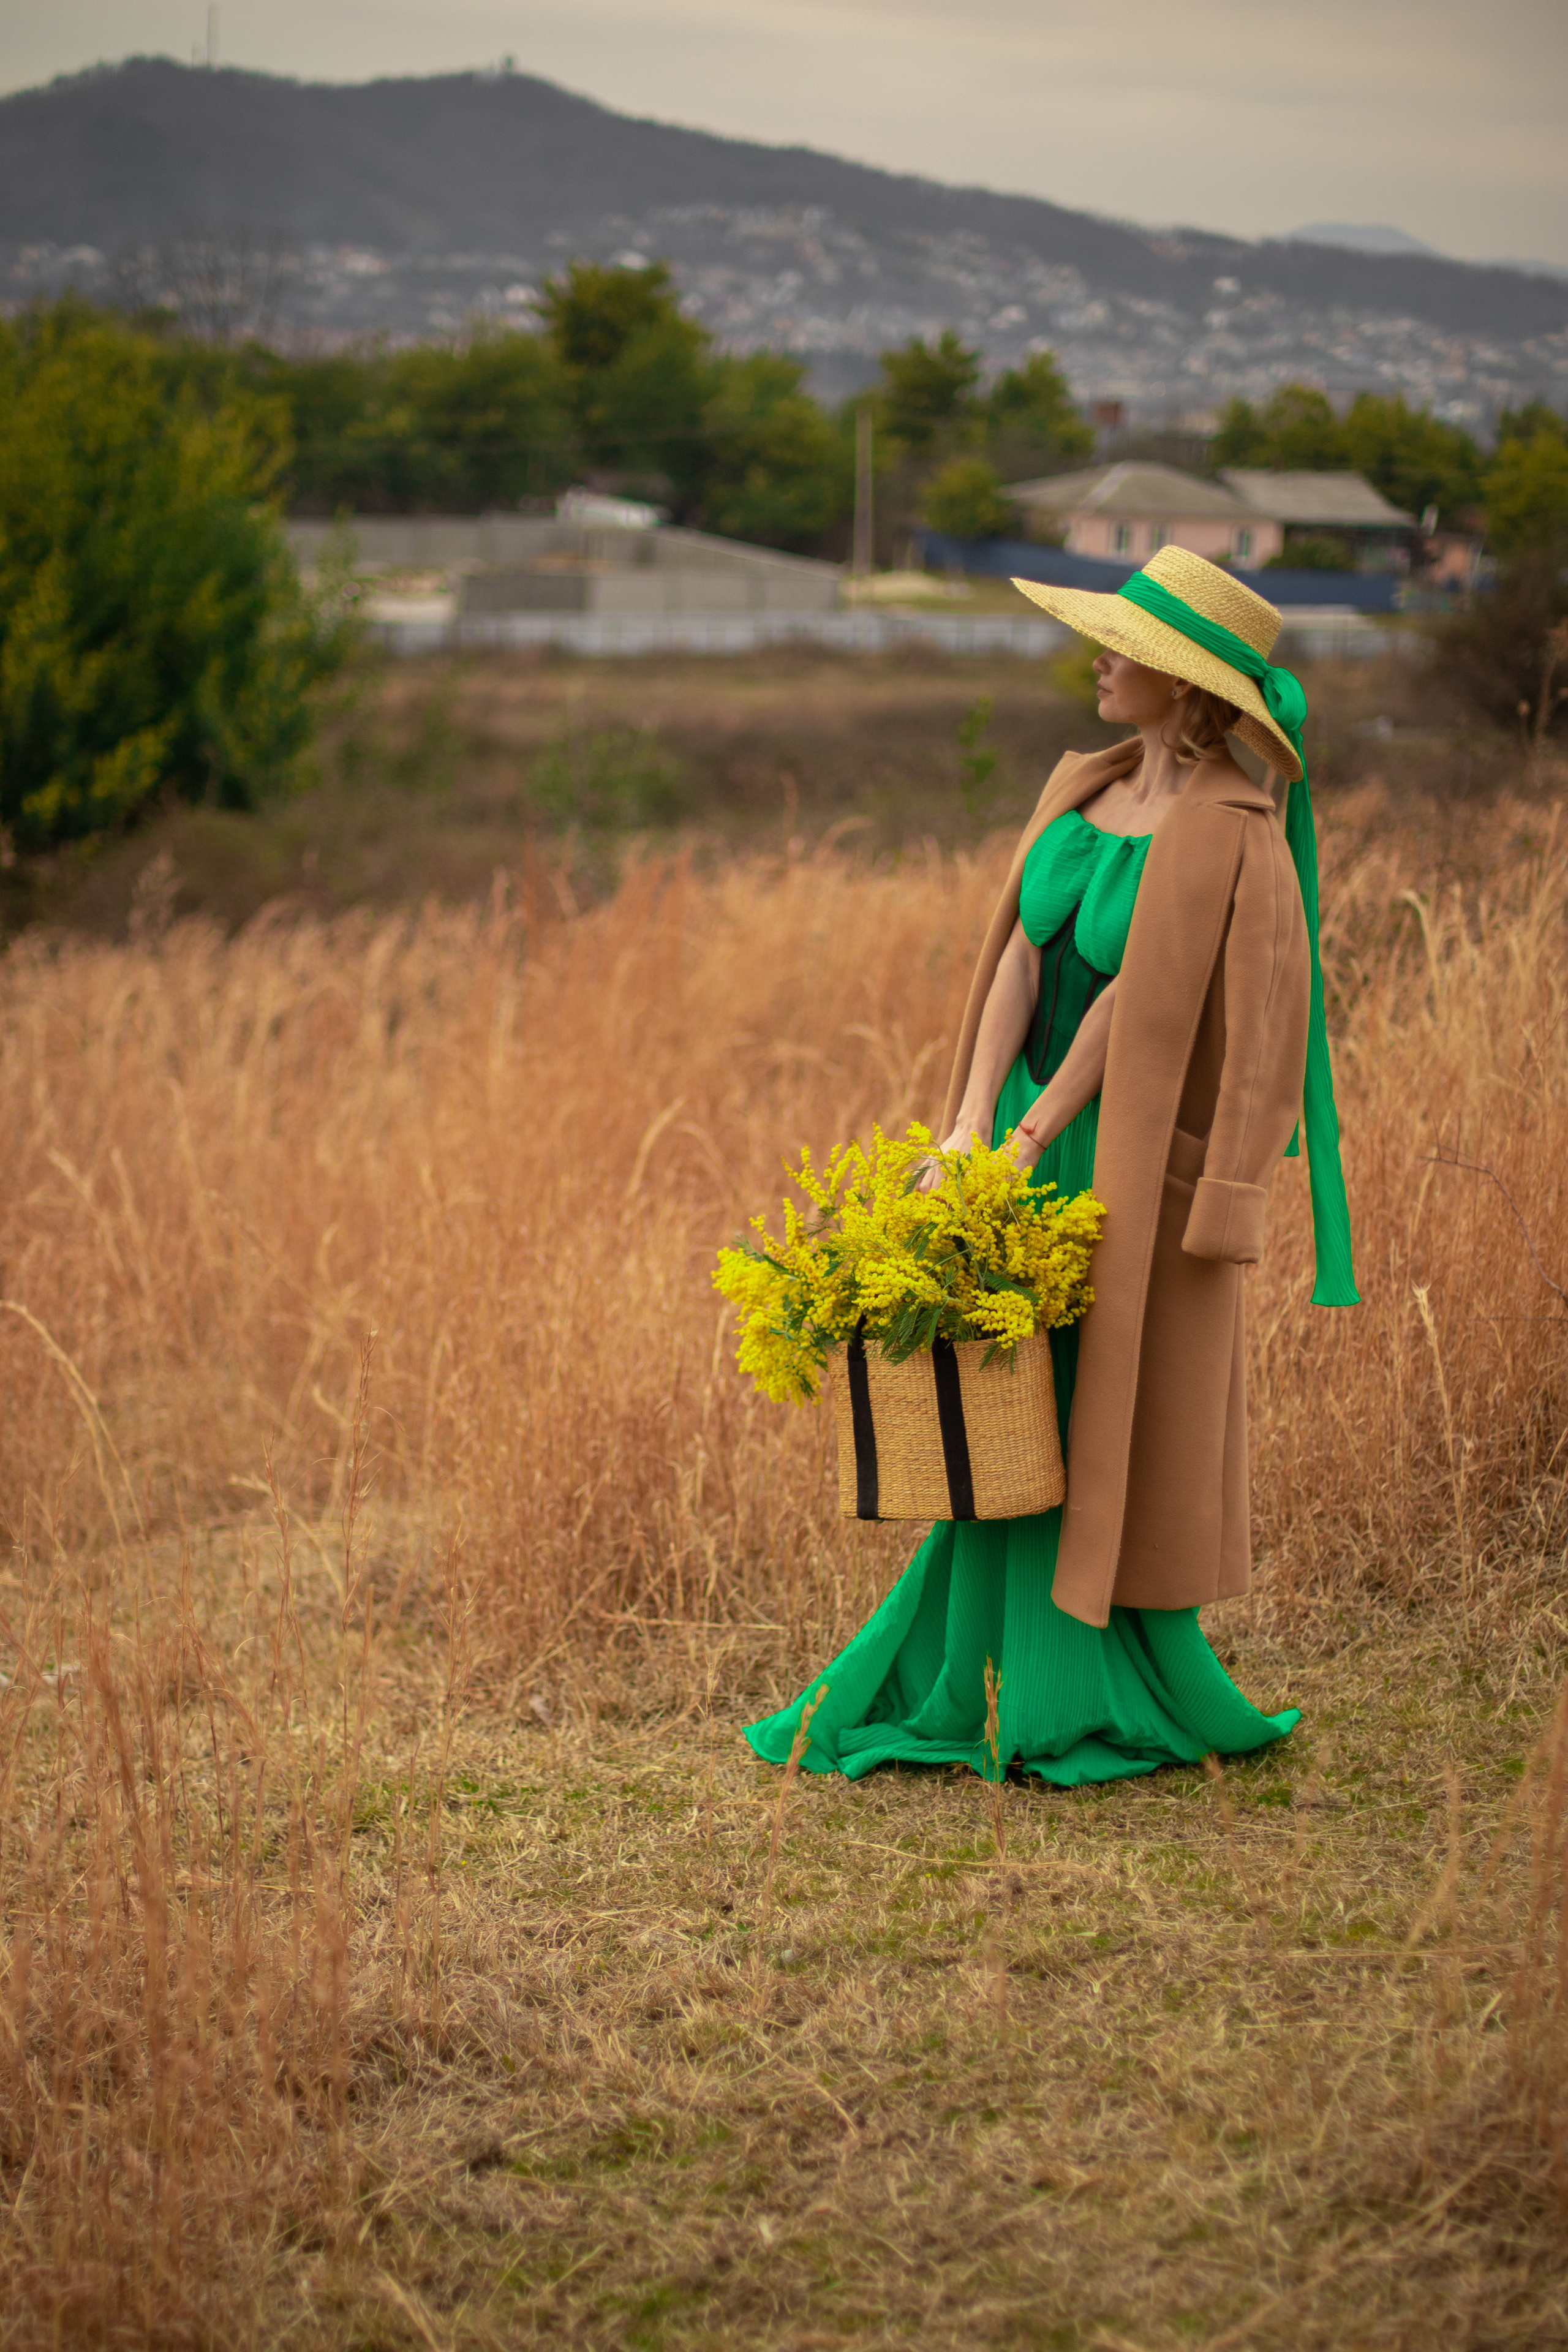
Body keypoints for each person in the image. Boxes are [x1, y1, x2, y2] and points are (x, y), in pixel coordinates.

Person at [746, 546, 1357, 1788]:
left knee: (1097, 1416)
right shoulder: (1080, 785)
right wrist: (966, 1124)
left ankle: (1089, 1682)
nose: (1097, 660)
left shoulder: (1234, 831)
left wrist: (1039, 1140)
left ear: (1186, 688)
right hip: (1019, 1126)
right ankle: (970, 1664)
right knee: (1005, 1405)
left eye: (1122, 648)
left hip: (1119, 1157)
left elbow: (1147, 1011)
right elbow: (1021, 959)